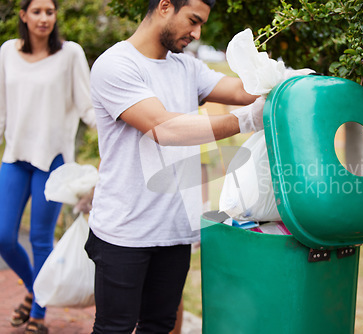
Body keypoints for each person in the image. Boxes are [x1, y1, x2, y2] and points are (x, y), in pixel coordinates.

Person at [86, 0, 309, 333]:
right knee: (114, 327)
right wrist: (246, 120)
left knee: (159, 325)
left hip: (175, 230)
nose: (197, 32)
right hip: (125, 232)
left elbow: (238, 88)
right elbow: (164, 128)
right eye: (193, 20)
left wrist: (288, 81)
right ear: (164, 6)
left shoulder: (186, 67)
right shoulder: (116, 65)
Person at [0, 0, 96, 333]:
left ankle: (38, 315)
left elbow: (88, 107)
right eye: (37, 11)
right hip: (14, 157)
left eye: (49, 12)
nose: (44, 18)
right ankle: (33, 288)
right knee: (3, 237)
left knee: (41, 239)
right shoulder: (6, 53)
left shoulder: (70, 54)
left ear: (56, 17)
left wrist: (116, 132)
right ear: (23, 16)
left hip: (52, 161)